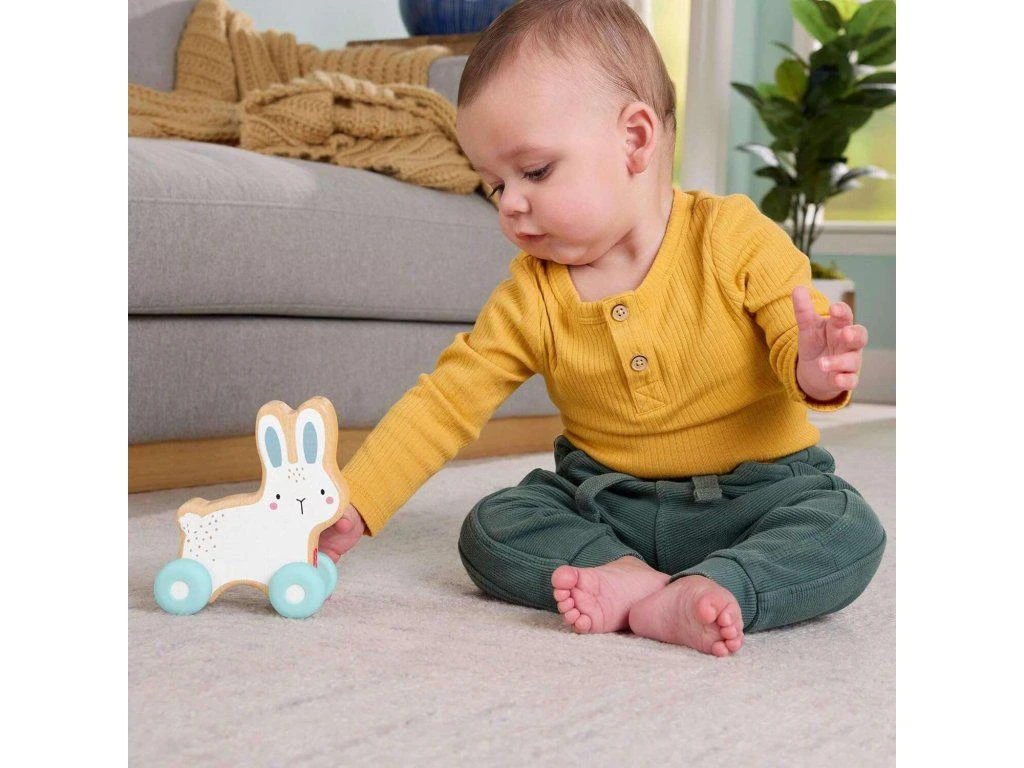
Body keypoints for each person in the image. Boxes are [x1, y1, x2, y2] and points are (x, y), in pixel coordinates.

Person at [319, 0, 886, 657]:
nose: (512, 204)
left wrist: (812, 367)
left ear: (635, 141)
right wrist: (357, 500)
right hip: (608, 503)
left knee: (847, 527)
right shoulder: (531, 294)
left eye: (535, 171)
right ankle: (624, 576)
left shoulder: (733, 238)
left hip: (760, 494)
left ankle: (721, 585)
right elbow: (447, 403)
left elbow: (794, 332)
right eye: (495, 186)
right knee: (491, 526)